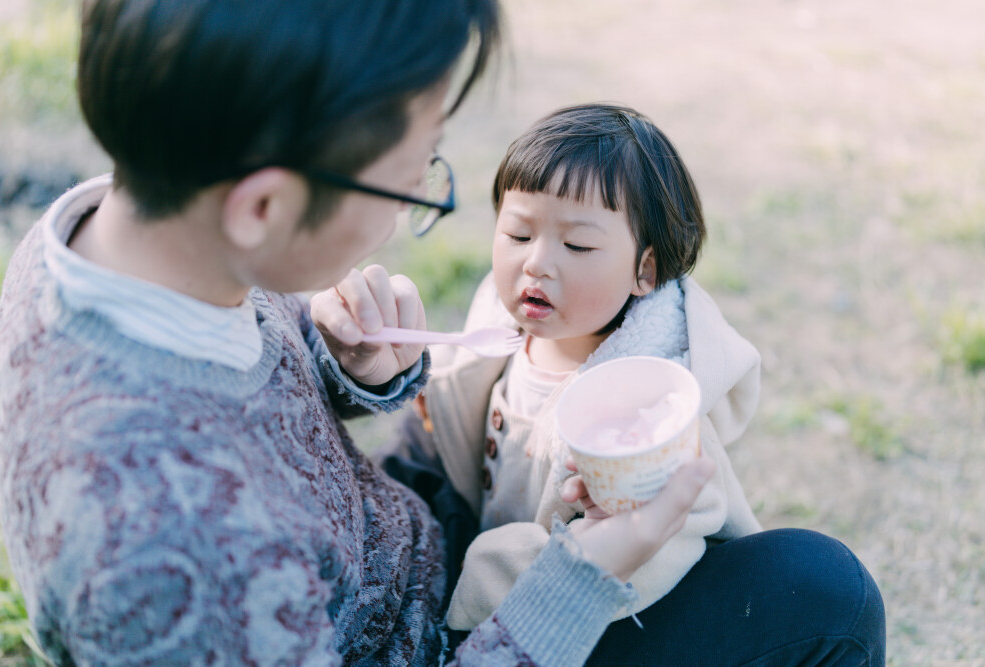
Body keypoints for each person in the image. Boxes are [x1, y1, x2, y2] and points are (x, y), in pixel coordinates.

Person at [0, 1, 719, 665]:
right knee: (815, 592)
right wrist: (579, 582)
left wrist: (338, 360)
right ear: (262, 206)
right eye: (406, 181)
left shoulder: (118, 238)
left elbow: (242, 407)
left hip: (409, 543)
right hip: (448, 636)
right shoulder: (180, 559)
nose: (403, 215)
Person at [367, 104, 888, 665]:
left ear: (646, 270)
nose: (536, 263)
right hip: (496, 598)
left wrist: (474, 585)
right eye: (518, 232)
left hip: (598, 613)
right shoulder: (493, 336)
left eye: (578, 247)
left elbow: (666, 546)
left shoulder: (647, 406)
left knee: (832, 590)